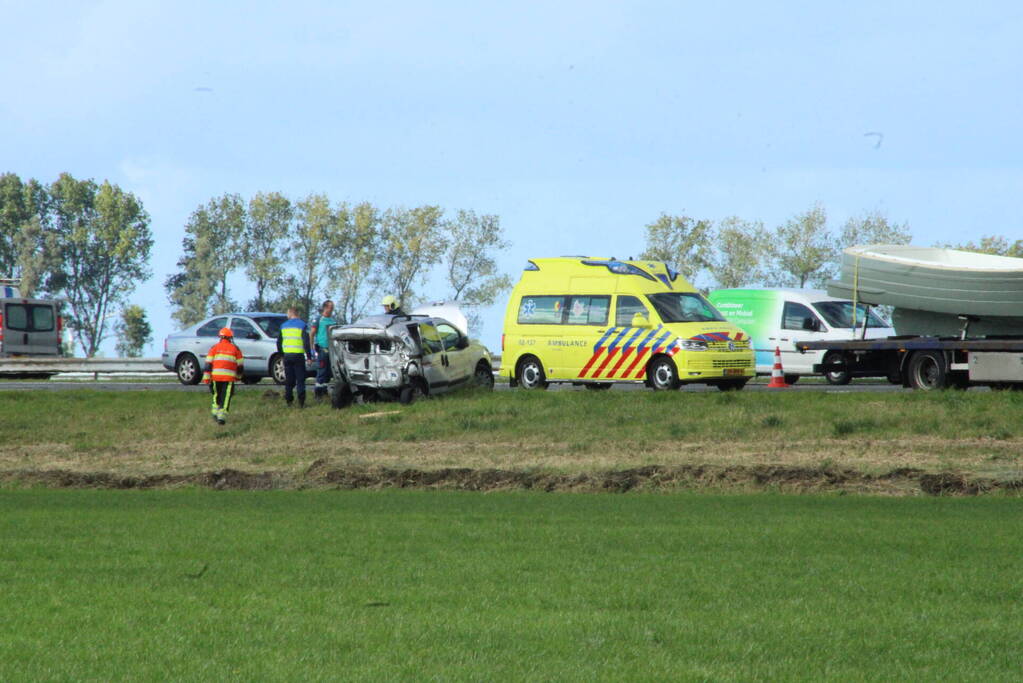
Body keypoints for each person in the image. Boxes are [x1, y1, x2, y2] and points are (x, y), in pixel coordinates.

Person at [202, 327, 244, 425]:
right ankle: (221, 416)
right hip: (228, 378)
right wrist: (238, 377)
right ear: (230, 338)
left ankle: (215, 412)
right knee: (226, 397)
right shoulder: (235, 349)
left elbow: (208, 365)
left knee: (217, 394)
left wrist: (207, 378)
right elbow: (240, 366)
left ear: (220, 337)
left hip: (215, 377)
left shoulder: (214, 348)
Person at [277, 307, 313, 407]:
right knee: (300, 380)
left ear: (290, 313)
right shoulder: (302, 325)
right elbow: (306, 342)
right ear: (297, 314)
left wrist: (282, 354)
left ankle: (289, 401)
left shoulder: (283, 326)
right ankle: (301, 402)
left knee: (289, 380)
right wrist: (309, 357)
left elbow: (279, 342)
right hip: (298, 356)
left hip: (287, 356)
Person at [310, 299, 338, 399]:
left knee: (329, 371)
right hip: (322, 348)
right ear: (325, 308)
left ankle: (324, 390)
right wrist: (312, 347)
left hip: (332, 350)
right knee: (322, 370)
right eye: (331, 308)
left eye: (333, 308)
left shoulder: (333, 321)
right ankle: (318, 392)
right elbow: (312, 333)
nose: (332, 310)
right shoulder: (318, 319)